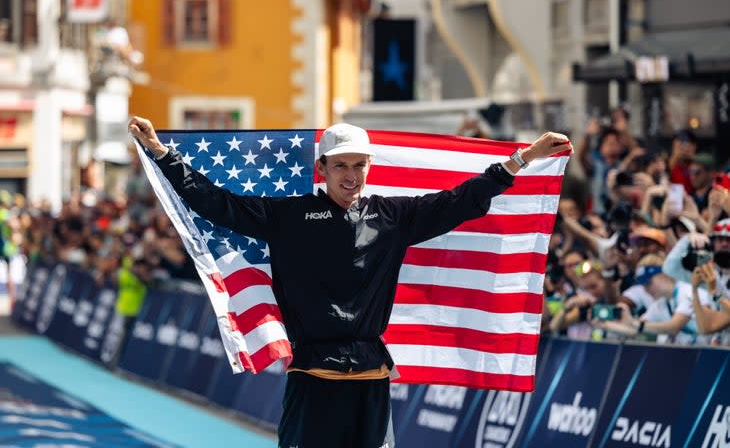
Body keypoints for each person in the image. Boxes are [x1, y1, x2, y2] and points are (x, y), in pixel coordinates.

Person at [128, 115, 572, 448]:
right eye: (341, 165)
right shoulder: (290, 216)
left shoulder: (392, 216)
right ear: (321, 168)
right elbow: (217, 203)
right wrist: (164, 154)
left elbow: (461, 200)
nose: (351, 175)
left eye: (360, 165)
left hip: (370, 377)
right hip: (313, 376)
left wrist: (522, 160)